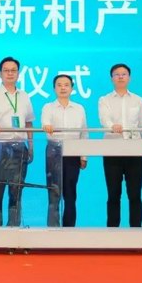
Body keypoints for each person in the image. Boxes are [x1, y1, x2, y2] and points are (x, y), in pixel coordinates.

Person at [0, 56, 35, 227]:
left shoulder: (24, 96)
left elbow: (29, 122)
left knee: (16, 191)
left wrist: (31, 145)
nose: (10, 73)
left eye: (13, 70)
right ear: (0, 73)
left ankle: (13, 229)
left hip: (19, 148)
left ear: (18, 74)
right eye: (6, 70)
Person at [98, 63, 142, 228]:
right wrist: (113, 126)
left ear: (129, 78)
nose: (120, 77)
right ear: (112, 78)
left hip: (134, 151)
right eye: (116, 74)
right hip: (112, 151)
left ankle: (136, 231)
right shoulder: (104, 100)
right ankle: (113, 232)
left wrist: (137, 143)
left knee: (135, 194)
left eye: (124, 74)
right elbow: (104, 120)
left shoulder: (138, 100)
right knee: (113, 194)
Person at [41, 74, 88, 227]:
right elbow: (45, 125)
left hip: (73, 153)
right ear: (54, 88)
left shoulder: (79, 108)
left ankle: (69, 230)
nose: (63, 88)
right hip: (54, 152)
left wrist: (84, 156)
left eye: (66, 85)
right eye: (59, 85)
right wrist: (48, 127)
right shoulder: (48, 107)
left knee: (70, 193)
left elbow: (84, 133)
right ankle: (53, 230)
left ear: (72, 88)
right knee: (53, 193)